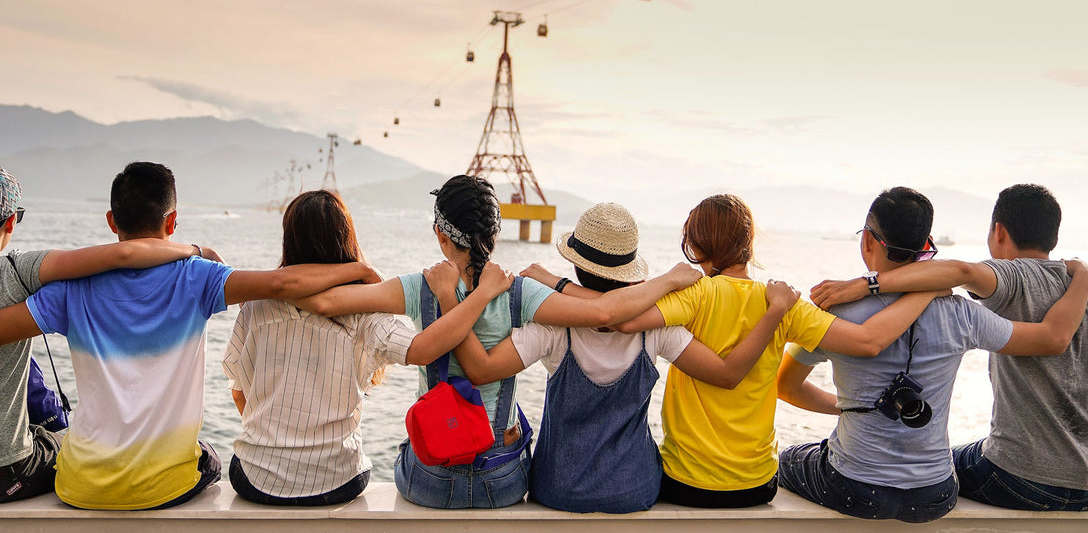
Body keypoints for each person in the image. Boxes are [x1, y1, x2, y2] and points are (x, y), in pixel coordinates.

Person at [0, 162, 381, 510]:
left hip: (80, 488)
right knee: (208, 456)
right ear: (171, 221)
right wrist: (361, 269)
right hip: (163, 489)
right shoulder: (199, 278)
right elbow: (285, 283)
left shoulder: (69, 289)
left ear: (110, 221)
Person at [294, 176, 704, 509]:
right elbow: (604, 314)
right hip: (502, 479)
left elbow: (325, 301)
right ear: (495, 233)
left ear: (441, 235)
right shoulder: (521, 292)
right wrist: (667, 281)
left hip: (431, 479)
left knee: (409, 447)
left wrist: (359, 268)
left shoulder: (419, 286)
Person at [450, 202, 802, 514]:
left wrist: (458, 303)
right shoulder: (658, 328)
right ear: (629, 269)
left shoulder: (553, 327)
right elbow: (725, 374)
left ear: (576, 265)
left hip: (558, 488)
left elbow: (481, 369)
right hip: (635, 490)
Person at [0, 164, 201, 505]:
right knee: (57, 441)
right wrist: (195, 251)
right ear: (11, 222)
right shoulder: (18, 272)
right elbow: (124, 254)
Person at [606, 193, 944, 508]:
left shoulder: (694, 295)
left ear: (694, 245)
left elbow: (619, 317)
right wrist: (926, 289)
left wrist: (666, 281)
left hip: (686, 483)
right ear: (749, 243)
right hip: (757, 486)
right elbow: (867, 341)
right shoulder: (785, 304)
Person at [776, 187, 1088, 523]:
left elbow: (786, 385)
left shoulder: (832, 312)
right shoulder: (962, 314)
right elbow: (1047, 337)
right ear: (927, 247)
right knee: (951, 459)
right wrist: (1081, 276)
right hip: (935, 494)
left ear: (867, 241)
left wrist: (850, 407)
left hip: (856, 489)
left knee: (789, 457)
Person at [221, 190, 514, 506]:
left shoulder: (256, 306)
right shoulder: (366, 314)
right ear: (346, 239)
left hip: (256, 478)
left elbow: (240, 393)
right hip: (336, 480)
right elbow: (422, 349)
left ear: (288, 240)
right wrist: (480, 295)